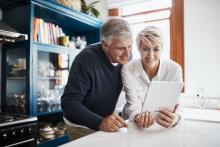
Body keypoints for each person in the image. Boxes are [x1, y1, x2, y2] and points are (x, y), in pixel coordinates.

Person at [61, 18, 133, 140]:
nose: (128, 54)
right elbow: (69, 104)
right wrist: (99, 122)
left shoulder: (125, 58)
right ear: (105, 45)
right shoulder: (86, 59)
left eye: (130, 46)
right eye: (121, 48)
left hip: (105, 120)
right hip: (81, 125)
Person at [121, 26, 182, 129]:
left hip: (162, 127)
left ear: (162, 49)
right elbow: (133, 107)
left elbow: (177, 105)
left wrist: (175, 118)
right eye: (145, 49)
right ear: (139, 49)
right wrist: (138, 117)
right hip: (133, 126)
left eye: (156, 49)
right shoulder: (127, 69)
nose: (151, 55)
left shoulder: (174, 69)